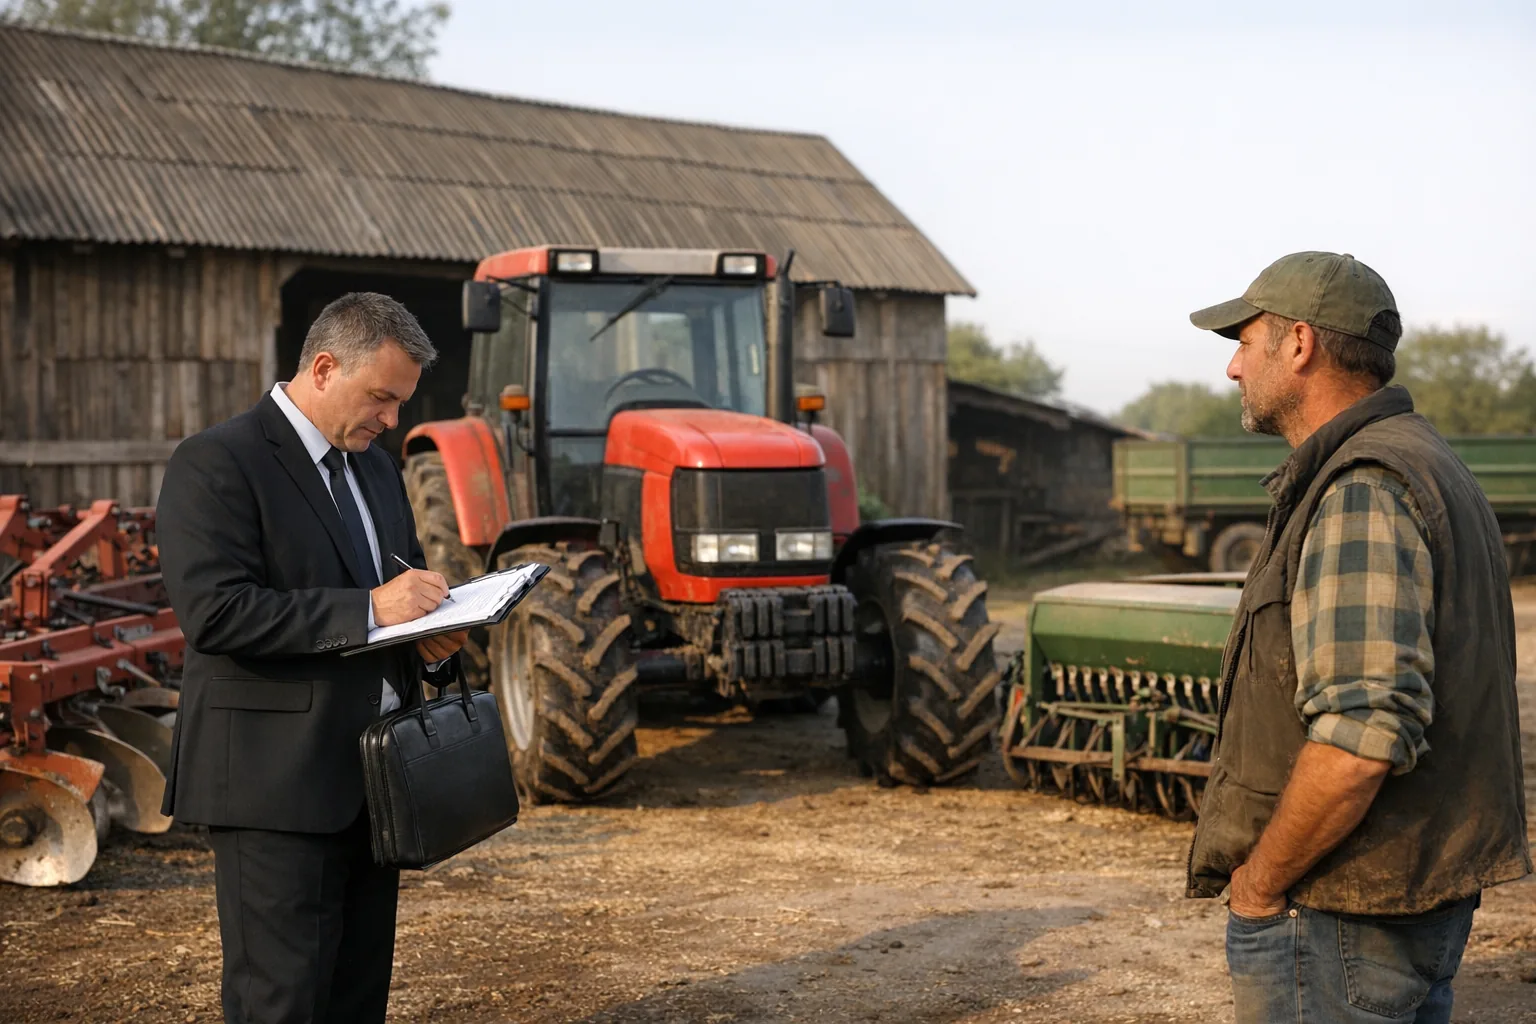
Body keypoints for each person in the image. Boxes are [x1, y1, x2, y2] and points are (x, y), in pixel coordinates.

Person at [1184, 251, 1531, 1024]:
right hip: (1410, 893)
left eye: (1244, 342)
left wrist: (1262, 883)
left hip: (1340, 907)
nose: (1234, 369)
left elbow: (1362, 733)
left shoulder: (1362, 485)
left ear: (1299, 344)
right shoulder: (1430, 461)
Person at [157, 292, 469, 1024]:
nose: (392, 420)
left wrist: (432, 637)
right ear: (324, 368)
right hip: (274, 786)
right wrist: (371, 610)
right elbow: (216, 612)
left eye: (400, 403)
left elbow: (403, 587)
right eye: (382, 398)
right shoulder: (216, 462)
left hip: (377, 781)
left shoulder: (377, 470)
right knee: (283, 1003)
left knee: (359, 998)